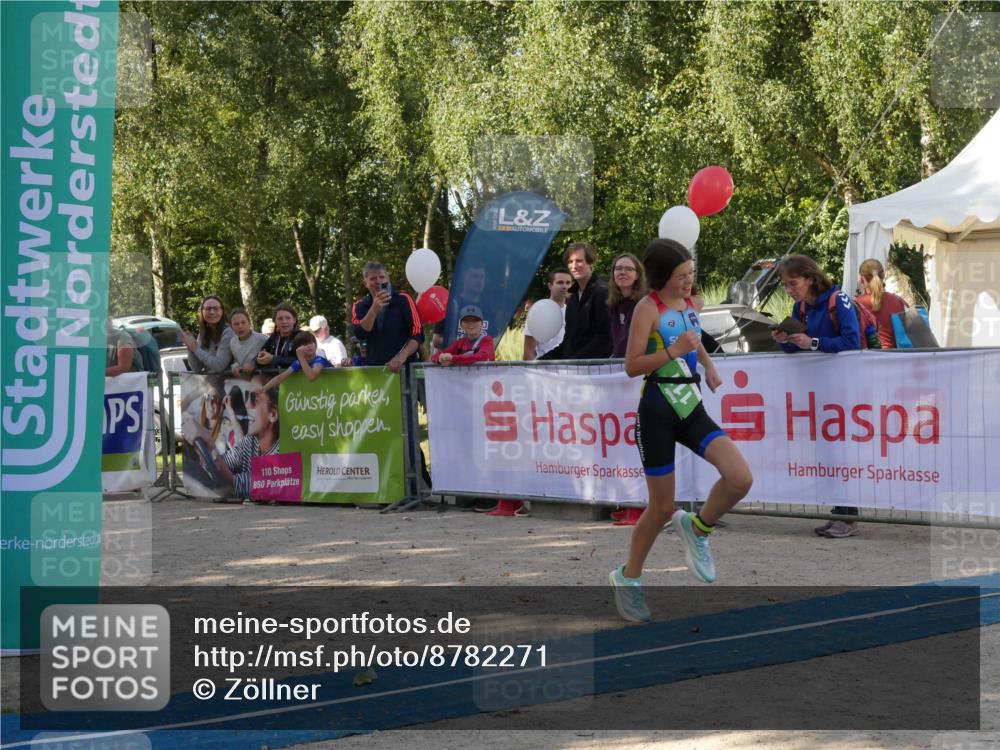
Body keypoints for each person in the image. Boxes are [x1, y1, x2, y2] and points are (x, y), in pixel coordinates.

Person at [609, 239, 753, 623]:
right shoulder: (646, 309)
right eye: (681, 276)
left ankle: (699, 527)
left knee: (740, 479)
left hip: (691, 406)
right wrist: (674, 352)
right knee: (660, 509)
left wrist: (708, 364)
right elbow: (632, 365)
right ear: (661, 279)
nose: (689, 281)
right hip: (656, 410)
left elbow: (694, 338)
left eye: (691, 273)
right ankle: (628, 579)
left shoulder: (690, 304)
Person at [771, 254, 862, 538]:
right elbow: (800, 348)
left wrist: (813, 342)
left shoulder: (839, 300)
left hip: (844, 388)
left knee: (841, 450)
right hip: (820, 390)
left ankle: (848, 516)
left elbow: (852, 341)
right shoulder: (800, 308)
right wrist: (785, 341)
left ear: (809, 278)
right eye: (785, 285)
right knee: (828, 450)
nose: (789, 290)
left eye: (792, 283)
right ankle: (840, 512)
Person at [214, 373, 280, 503]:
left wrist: (209, 447)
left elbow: (244, 483)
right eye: (246, 396)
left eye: (254, 398)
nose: (247, 405)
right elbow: (227, 461)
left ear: (272, 414)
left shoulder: (282, 450)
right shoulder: (250, 442)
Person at [540, 243, 612, 359]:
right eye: (570, 261)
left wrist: (575, 362)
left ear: (590, 262)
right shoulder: (573, 297)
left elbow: (605, 338)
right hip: (572, 369)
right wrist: (539, 363)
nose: (574, 266)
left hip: (593, 371)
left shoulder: (601, 292)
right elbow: (568, 343)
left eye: (579, 261)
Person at [351, 262, 423, 372]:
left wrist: (401, 356)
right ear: (365, 283)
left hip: (404, 370)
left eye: (381, 277)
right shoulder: (360, 306)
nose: (378, 281)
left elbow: (418, 334)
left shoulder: (403, 299)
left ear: (388, 278)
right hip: (376, 373)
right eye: (373, 279)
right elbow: (360, 334)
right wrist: (373, 310)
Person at [855, 258, 908, 349]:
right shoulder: (898, 301)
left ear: (862, 280)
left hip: (868, 359)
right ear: (883, 276)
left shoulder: (857, 304)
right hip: (896, 357)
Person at [523, 268, 572, 360]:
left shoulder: (573, 312)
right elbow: (528, 351)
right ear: (550, 285)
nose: (565, 286)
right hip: (543, 369)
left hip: (568, 371)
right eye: (560, 282)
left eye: (568, 283)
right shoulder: (538, 311)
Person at [259, 331, 332, 391]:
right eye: (304, 344)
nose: (309, 346)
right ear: (297, 348)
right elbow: (280, 377)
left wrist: (300, 356)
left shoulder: (319, 360)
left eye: (310, 343)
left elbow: (312, 376)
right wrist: (263, 389)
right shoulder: (298, 363)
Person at [608, 252, 648, 358]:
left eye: (629, 269)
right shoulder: (614, 304)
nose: (622, 272)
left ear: (637, 275)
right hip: (619, 367)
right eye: (618, 268)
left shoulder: (644, 304)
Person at [182, 295, 234, 374]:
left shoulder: (228, 332)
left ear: (222, 311)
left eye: (216, 308)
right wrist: (190, 345)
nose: (212, 312)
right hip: (210, 384)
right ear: (202, 312)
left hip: (229, 384)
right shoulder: (202, 333)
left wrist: (196, 349)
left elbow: (219, 366)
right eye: (208, 309)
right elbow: (196, 368)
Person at [431, 305, 496, 366]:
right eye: (466, 320)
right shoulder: (460, 342)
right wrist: (440, 358)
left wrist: (453, 359)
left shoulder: (487, 340)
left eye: (475, 320)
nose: (470, 323)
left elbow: (481, 357)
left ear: (482, 324)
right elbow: (435, 356)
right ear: (461, 325)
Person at [257, 303, 299, 371]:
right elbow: (261, 354)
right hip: (275, 377)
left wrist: (273, 359)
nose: (284, 321)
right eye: (280, 319)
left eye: (288, 318)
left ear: (294, 320)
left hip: (297, 378)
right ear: (275, 322)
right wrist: (260, 359)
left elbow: (305, 360)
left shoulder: (301, 336)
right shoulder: (274, 337)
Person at [229, 309, 267, 379]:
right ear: (231, 327)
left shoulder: (262, 339)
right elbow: (236, 361)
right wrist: (235, 366)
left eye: (243, 322)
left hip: (262, 380)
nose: (240, 326)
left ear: (249, 323)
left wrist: (255, 364)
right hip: (242, 381)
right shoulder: (232, 342)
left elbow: (270, 360)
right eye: (236, 324)